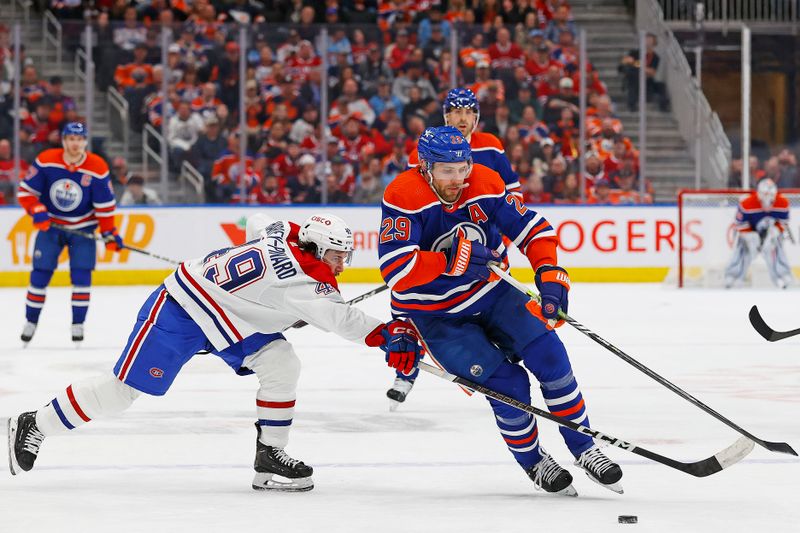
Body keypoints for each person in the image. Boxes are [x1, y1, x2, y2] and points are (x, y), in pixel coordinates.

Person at [7, 213, 422, 493]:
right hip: (183, 309)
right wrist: (388, 335)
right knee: (122, 392)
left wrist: (275, 308)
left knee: (280, 362)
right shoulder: (304, 282)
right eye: (336, 256)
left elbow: (261, 223)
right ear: (314, 249)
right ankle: (34, 423)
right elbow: (342, 320)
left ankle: (268, 459)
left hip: (229, 315)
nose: (342, 265)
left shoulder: (283, 231)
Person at [377, 126, 623, 496]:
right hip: (437, 316)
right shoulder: (403, 194)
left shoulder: (486, 182)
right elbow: (395, 269)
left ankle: (584, 446)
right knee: (509, 386)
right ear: (425, 167)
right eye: (447, 171)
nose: (458, 179)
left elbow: (532, 228)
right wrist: (449, 261)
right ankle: (534, 461)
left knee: (551, 357)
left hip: (494, 294)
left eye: (463, 168)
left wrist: (550, 272)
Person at [393, 88, 523, 404]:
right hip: (442, 248)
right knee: (418, 303)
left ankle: (497, 357)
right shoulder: (422, 153)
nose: (462, 118)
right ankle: (405, 371)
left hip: (483, 246)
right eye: (456, 112)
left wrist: (499, 235)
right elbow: (416, 205)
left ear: (476, 116)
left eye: (468, 112)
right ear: (446, 116)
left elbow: (512, 195)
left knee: (496, 304)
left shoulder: (491, 146)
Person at [16, 122, 124, 345]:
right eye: (71, 139)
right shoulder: (47, 159)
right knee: (40, 275)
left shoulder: (97, 166)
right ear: (64, 140)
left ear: (85, 142)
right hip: (51, 227)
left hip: (83, 230)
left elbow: (104, 207)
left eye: (79, 139)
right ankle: (31, 321)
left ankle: (78, 324)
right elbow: (26, 192)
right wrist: (37, 210)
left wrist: (109, 232)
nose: (75, 144)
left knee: (82, 277)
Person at [724, 178, 793, 289]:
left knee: (775, 246)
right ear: (759, 194)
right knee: (743, 249)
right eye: (765, 197)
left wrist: (776, 230)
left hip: (770, 232)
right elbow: (739, 224)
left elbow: (783, 222)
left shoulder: (783, 202)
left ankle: (782, 275)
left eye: (771, 199)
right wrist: (750, 235)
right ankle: (733, 276)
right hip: (750, 232)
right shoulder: (747, 203)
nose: (768, 202)